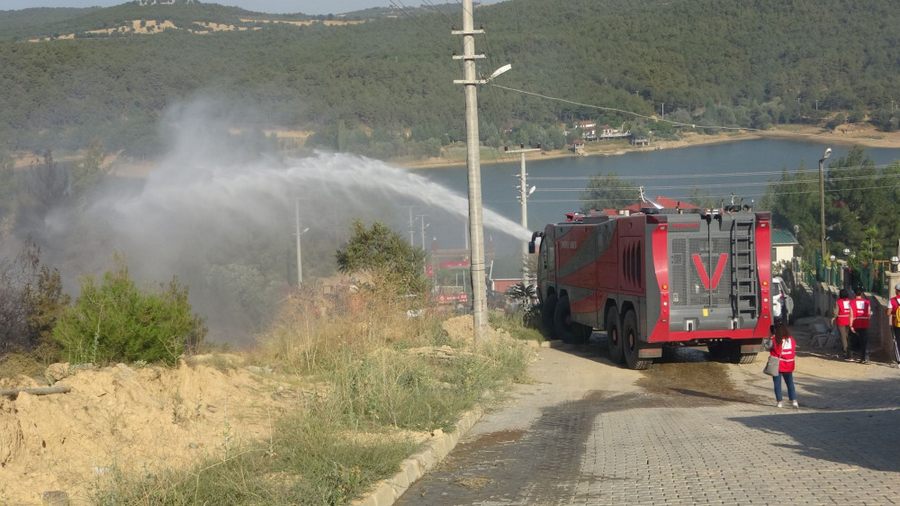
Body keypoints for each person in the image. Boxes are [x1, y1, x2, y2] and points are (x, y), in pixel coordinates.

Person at [768, 322, 798, 408]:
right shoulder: (791, 339)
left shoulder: (775, 339)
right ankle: (794, 400)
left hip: (777, 364)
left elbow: (767, 346)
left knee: (777, 384)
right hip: (789, 364)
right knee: (790, 383)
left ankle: (779, 402)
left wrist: (771, 336)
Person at [850, 287, 872, 364]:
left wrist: (851, 325)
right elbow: (869, 313)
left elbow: (851, 314)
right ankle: (865, 357)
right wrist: (867, 320)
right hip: (865, 322)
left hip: (856, 322)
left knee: (858, 340)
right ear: (862, 294)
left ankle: (861, 357)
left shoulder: (852, 302)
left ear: (854, 294)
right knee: (865, 340)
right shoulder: (867, 302)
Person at [832, 288, 853, 360]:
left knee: (843, 337)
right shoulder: (850, 301)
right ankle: (850, 351)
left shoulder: (838, 302)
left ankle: (846, 352)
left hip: (841, 320)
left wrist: (834, 317)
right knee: (848, 337)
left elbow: (836, 313)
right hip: (849, 319)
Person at [887, 283, 900, 367]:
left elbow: (888, 313)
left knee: (897, 341)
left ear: (896, 291)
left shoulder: (892, 300)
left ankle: (899, 360)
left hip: (896, 323)